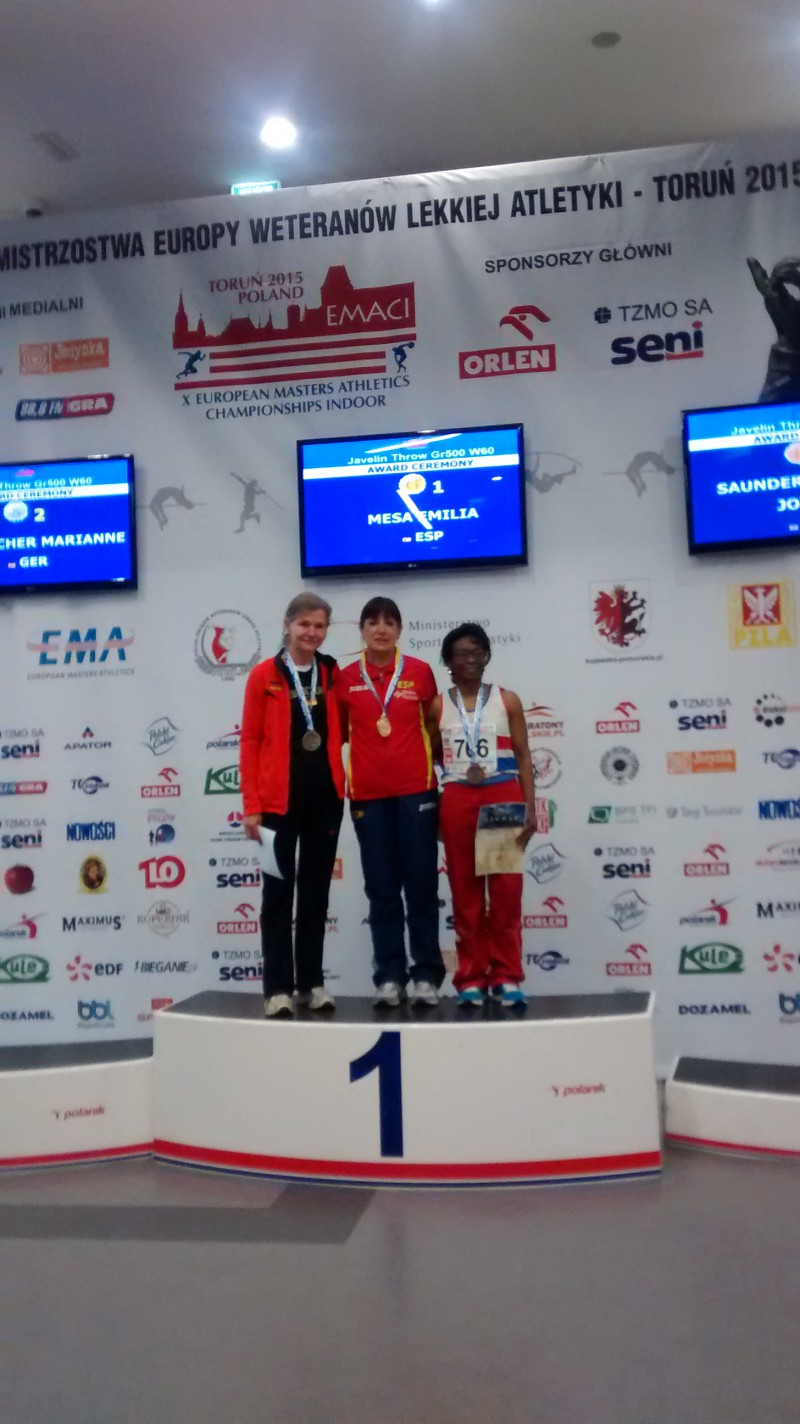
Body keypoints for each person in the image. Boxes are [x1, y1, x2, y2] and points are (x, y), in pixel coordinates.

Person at [240, 592, 344, 1018]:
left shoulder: (332, 673)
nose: (311, 633)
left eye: (319, 626)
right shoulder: (263, 675)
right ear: (286, 626)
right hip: (275, 805)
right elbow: (249, 741)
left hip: (325, 801)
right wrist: (251, 803)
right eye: (304, 624)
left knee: (316, 895)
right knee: (277, 896)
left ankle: (312, 983)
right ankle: (277, 988)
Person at [337, 596, 444, 1007]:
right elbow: (338, 734)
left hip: (417, 792)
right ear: (362, 629)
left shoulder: (419, 672)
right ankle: (389, 977)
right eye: (373, 622)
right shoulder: (345, 678)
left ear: (399, 629)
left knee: (421, 885)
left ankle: (426, 976)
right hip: (367, 796)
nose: (381, 629)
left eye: (389, 622)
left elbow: (434, 727)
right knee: (381, 889)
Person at [427, 622, 536, 1008]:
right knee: (466, 894)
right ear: (448, 661)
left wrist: (530, 807)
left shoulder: (508, 701)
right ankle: (471, 977)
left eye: (477, 652)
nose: (470, 659)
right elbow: (430, 756)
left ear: (487, 657)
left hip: (501, 795)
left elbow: (523, 755)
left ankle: (506, 976)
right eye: (462, 654)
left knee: (504, 894)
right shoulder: (438, 706)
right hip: (459, 799)